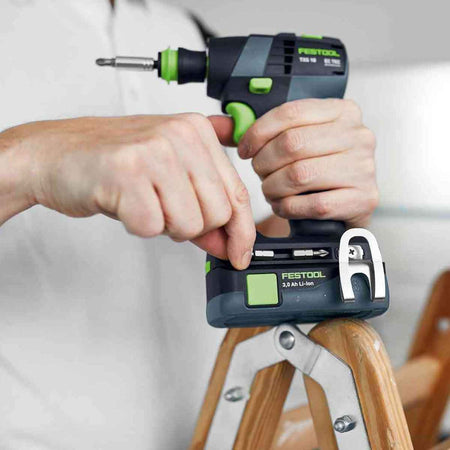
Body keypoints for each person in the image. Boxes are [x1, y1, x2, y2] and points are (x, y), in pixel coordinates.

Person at [0, 0, 378, 448]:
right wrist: (28, 160)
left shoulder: (190, 29)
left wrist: (328, 204)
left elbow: (247, 243)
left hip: (223, 434)